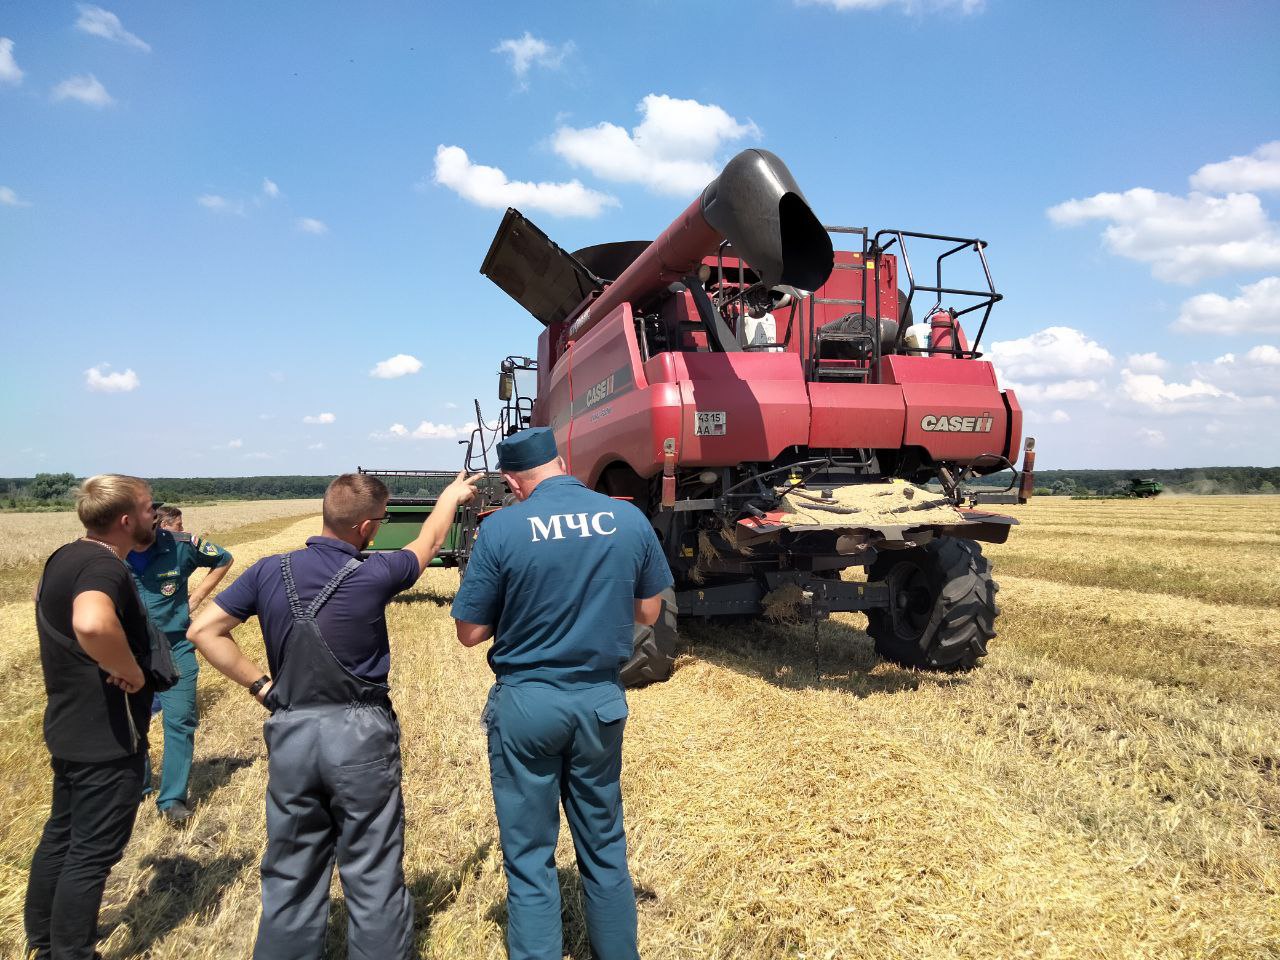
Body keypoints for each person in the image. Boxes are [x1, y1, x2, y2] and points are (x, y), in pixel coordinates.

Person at [186, 470, 480, 960]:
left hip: (292, 732)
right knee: (373, 873)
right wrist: (451, 495)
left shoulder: (266, 571)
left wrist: (261, 686)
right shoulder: (375, 573)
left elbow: (203, 631)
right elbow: (429, 540)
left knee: (290, 875)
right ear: (366, 528)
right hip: (359, 734)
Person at [451, 427, 673, 960]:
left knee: (529, 857)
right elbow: (648, 613)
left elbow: (469, 632)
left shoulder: (503, 530)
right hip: (598, 700)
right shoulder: (626, 519)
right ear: (561, 461)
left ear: (512, 480)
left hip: (528, 704)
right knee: (604, 846)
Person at [25, 474, 158, 960]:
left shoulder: (64, 556)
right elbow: (91, 621)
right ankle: (72, 953)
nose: (154, 515)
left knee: (61, 834)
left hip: (67, 722)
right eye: (148, 509)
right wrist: (131, 673)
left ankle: (44, 942)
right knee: (92, 852)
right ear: (126, 520)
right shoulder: (105, 568)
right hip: (105, 732)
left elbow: (51, 609)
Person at [127, 503, 233, 821]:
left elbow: (223, 559)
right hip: (129, 651)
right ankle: (137, 787)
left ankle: (172, 799)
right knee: (131, 723)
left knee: (180, 721)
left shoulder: (181, 546)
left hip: (175, 646)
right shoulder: (109, 550)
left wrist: (198, 596)